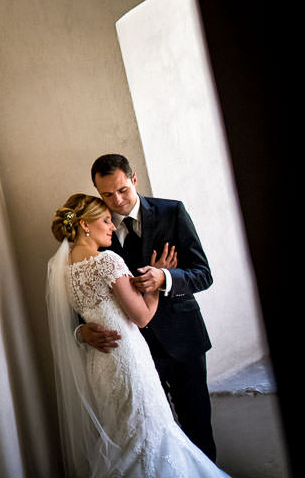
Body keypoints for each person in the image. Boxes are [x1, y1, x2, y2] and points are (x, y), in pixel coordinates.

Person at [46, 193, 227, 477]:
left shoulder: (62, 270)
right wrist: (158, 280)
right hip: (127, 358)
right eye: (105, 219)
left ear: (132, 181)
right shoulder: (107, 261)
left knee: (125, 434)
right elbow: (141, 316)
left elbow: (202, 272)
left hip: (102, 364)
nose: (110, 225)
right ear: (84, 224)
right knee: (148, 430)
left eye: (110, 220)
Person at [78, 154, 216, 461]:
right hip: (133, 350)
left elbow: (203, 273)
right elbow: (88, 286)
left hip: (183, 339)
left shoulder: (172, 212)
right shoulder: (95, 230)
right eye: (107, 194)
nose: (117, 200)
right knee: (154, 431)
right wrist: (81, 329)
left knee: (197, 425)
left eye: (123, 190)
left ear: (134, 179)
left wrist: (164, 277)